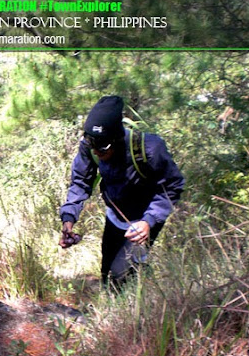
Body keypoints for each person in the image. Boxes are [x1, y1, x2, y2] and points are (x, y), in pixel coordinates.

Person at [59, 96, 185, 290]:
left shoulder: (149, 148)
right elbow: (81, 182)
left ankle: (131, 312)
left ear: (117, 138)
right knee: (106, 273)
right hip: (115, 217)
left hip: (143, 221)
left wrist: (149, 221)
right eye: (92, 144)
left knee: (119, 277)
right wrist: (69, 218)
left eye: (103, 147)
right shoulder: (90, 146)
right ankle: (126, 293)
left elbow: (173, 185)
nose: (97, 152)